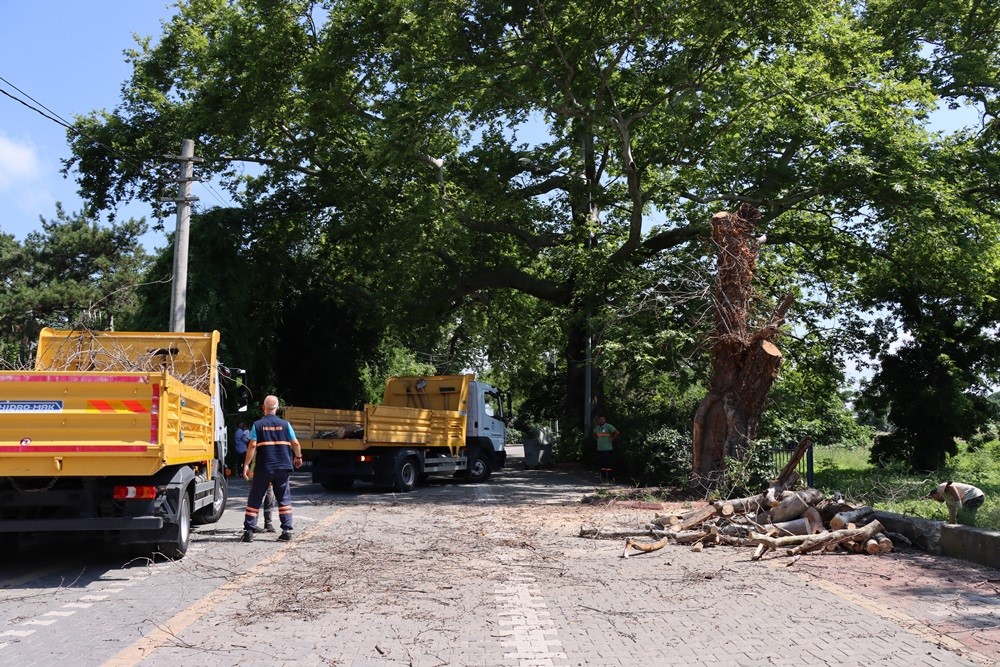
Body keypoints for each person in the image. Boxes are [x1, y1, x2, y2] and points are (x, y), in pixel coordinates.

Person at [241, 395, 303, 542]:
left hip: (264, 467)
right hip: (282, 467)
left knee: (255, 498)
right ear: (277, 409)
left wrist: (246, 465)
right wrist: (298, 457)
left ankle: (249, 531)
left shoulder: (257, 425)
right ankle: (286, 531)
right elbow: (295, 443)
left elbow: (252, 445)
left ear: (263, 408)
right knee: (284, 499)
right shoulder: (286, 424)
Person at [593, 415, 620, 484]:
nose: (602, 421)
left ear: (605, 420)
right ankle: (604, 479)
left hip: (607, 449)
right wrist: (597, 439)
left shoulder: (608, 426)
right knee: (602, 464)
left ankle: (610, 478)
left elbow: (617, 432)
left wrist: (612, 438)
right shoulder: (597, 428)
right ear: (599, 420)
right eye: (601, 419)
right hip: (600, 449)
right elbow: (594, 434)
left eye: (603, 419)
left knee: (608, 464)